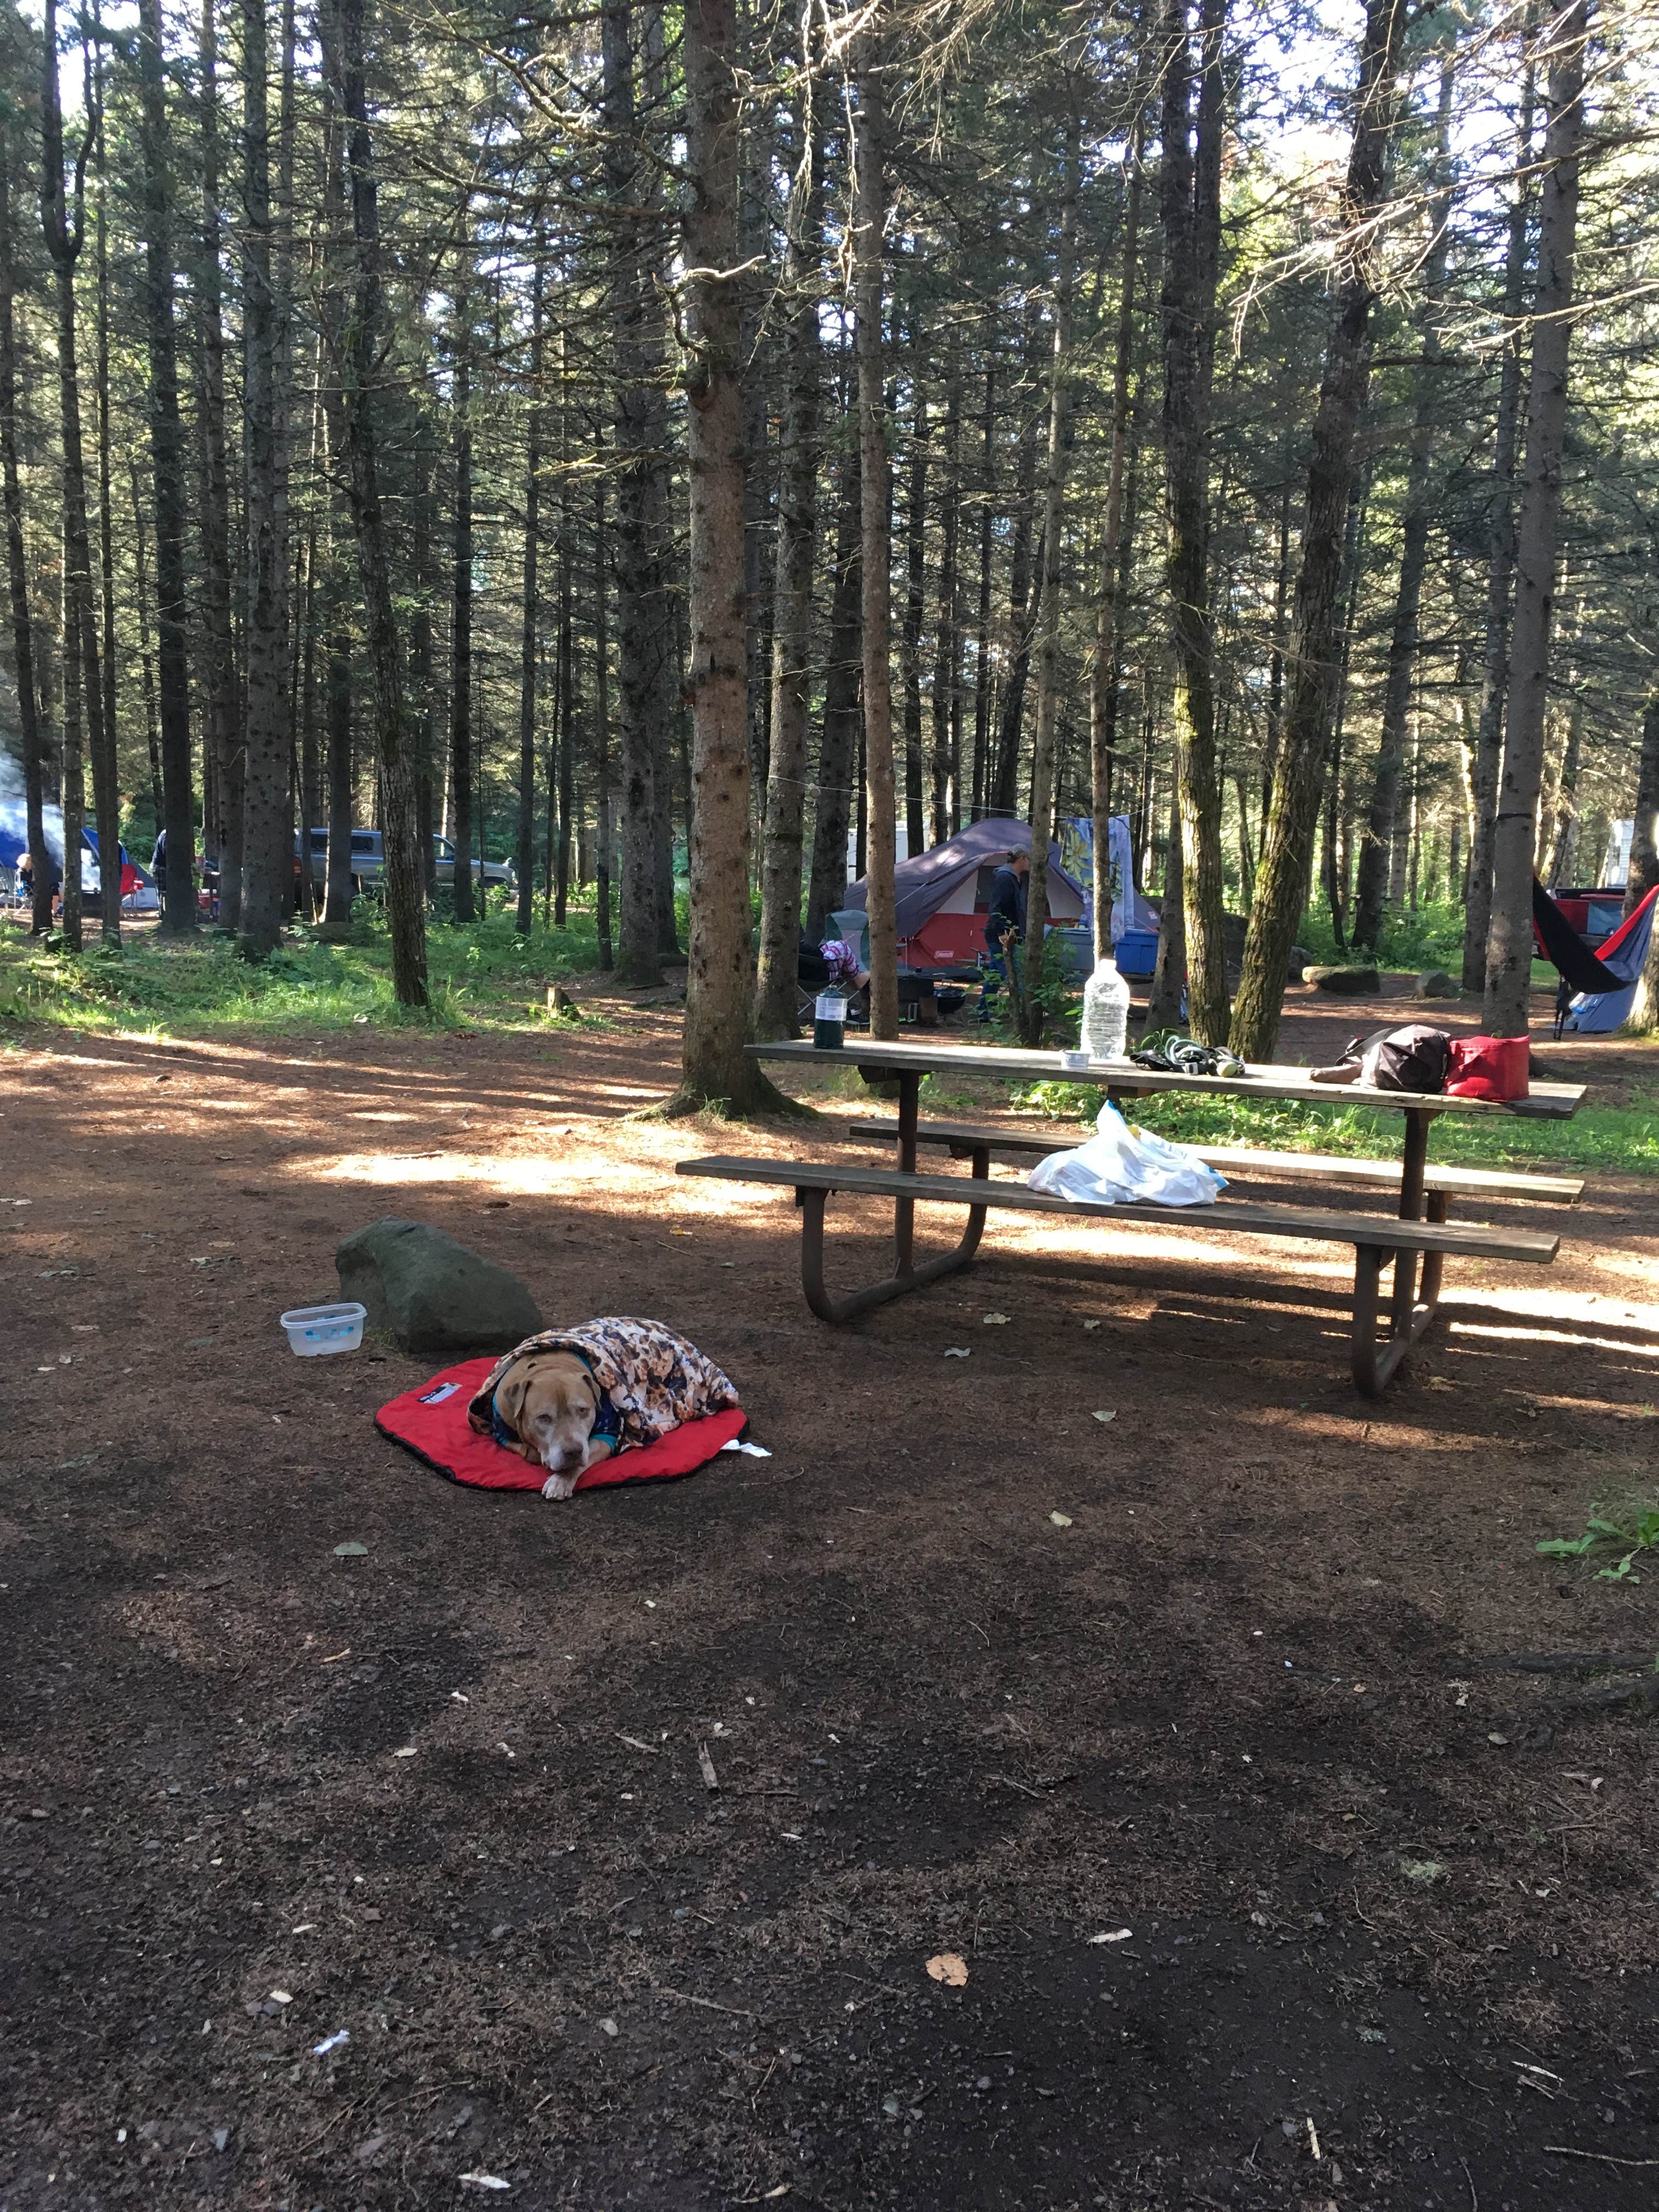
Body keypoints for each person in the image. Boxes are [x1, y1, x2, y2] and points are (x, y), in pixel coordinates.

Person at [978, 846, 1029, 1020]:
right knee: (1013, 971)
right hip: (1001, 936)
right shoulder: (1005, 878)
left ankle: (983, 1012)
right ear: (1022, 859)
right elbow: (996, 907)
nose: (1028, 863)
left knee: (996, 974)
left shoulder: (1015, 878)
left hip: (1010, 934)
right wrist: (1002, 932)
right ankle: (1026, 1010)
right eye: (1027, 860)